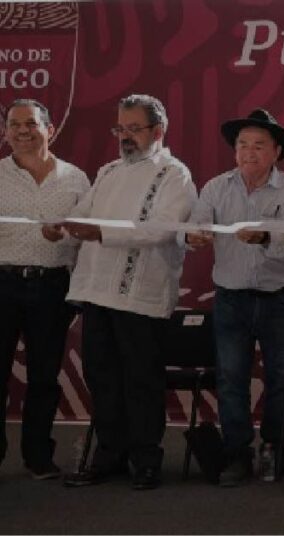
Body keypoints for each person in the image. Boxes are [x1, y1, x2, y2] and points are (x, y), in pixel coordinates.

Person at [57, 94, 197, 490]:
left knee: (141, 379)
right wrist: (61, 225)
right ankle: (110, 456)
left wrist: (100, 232)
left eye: (134, 129)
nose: (125, 137)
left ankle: (146, 460)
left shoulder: (175, 174)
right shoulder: (108, 171)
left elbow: (163, 229)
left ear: (158, 131)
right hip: (98, 290)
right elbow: (82, 213)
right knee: (102, 377)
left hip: (142, 295)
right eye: (120, 128)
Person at [183, 109, 284, 486]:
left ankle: (275, 448)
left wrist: (267, 237)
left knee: (281, 376)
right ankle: (237, 452)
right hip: (231, 297)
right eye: (242, 145)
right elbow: (198, 224)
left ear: (276, 150)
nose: (249, 152)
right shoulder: (216, 187)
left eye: (259, 145)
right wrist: (194, 236)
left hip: (280, 297)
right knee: (231, 377)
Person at [0, 99, 89, 479]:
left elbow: (87, 234)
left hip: (53, 285)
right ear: (6, 132)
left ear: (49, 129)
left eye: (31, 124)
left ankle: (38, 458)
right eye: (14, 124)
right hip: (1, 282)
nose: (22, 131)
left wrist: (66, 232)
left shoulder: (76, 178)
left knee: (44, 376)